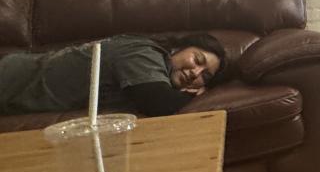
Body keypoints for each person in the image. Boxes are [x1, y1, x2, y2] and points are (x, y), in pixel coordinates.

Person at [0, 33, 226, 117]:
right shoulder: (144, 52)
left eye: (204, 77)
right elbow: (157, 102)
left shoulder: (155, 71)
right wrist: (195, 96)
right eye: (197, 60)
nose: (195, 72)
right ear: (178, 48)